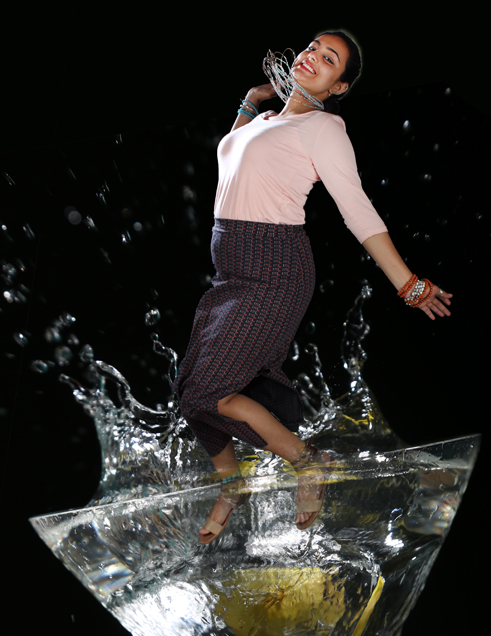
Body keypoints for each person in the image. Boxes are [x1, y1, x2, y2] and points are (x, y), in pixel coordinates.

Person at [174, 30, 452, 544]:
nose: (313, 57)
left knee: (213, 389)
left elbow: (357, 209)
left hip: (273, 268)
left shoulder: (324, 128)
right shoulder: (264, 122)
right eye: (312, 48)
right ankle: (230, 484)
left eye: (330, 59)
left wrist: (408, 284)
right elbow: (233, 153)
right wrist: (251, 100)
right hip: (231, 269)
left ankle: (308, 463)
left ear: (338, 86)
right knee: (190, 389)